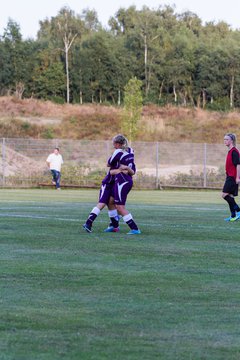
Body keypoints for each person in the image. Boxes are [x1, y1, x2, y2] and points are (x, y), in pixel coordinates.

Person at [83, 134, 141, 234]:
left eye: (114, 143)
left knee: (116, 206)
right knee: (110, 202)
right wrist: (124, 169)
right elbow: (130, 171)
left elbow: (109, 165)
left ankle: (134, 228)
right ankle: (114, 226)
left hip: (118, 182)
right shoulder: (130, 151)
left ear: (118, 144)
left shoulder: (118, 153)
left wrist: (121, 169)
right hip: (117, 181)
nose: (113, 145)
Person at [222, 133, 240, 221]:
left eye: (227, 139)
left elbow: (238, 165)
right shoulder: (230, 151)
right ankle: (233, 216)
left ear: (231, 141)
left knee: (224, 195)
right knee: (230, 196)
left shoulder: (234, 151)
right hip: (229, 176)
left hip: (232, 177)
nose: (225, 141)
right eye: (224, 139)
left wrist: (237, 177)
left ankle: (238, 210)